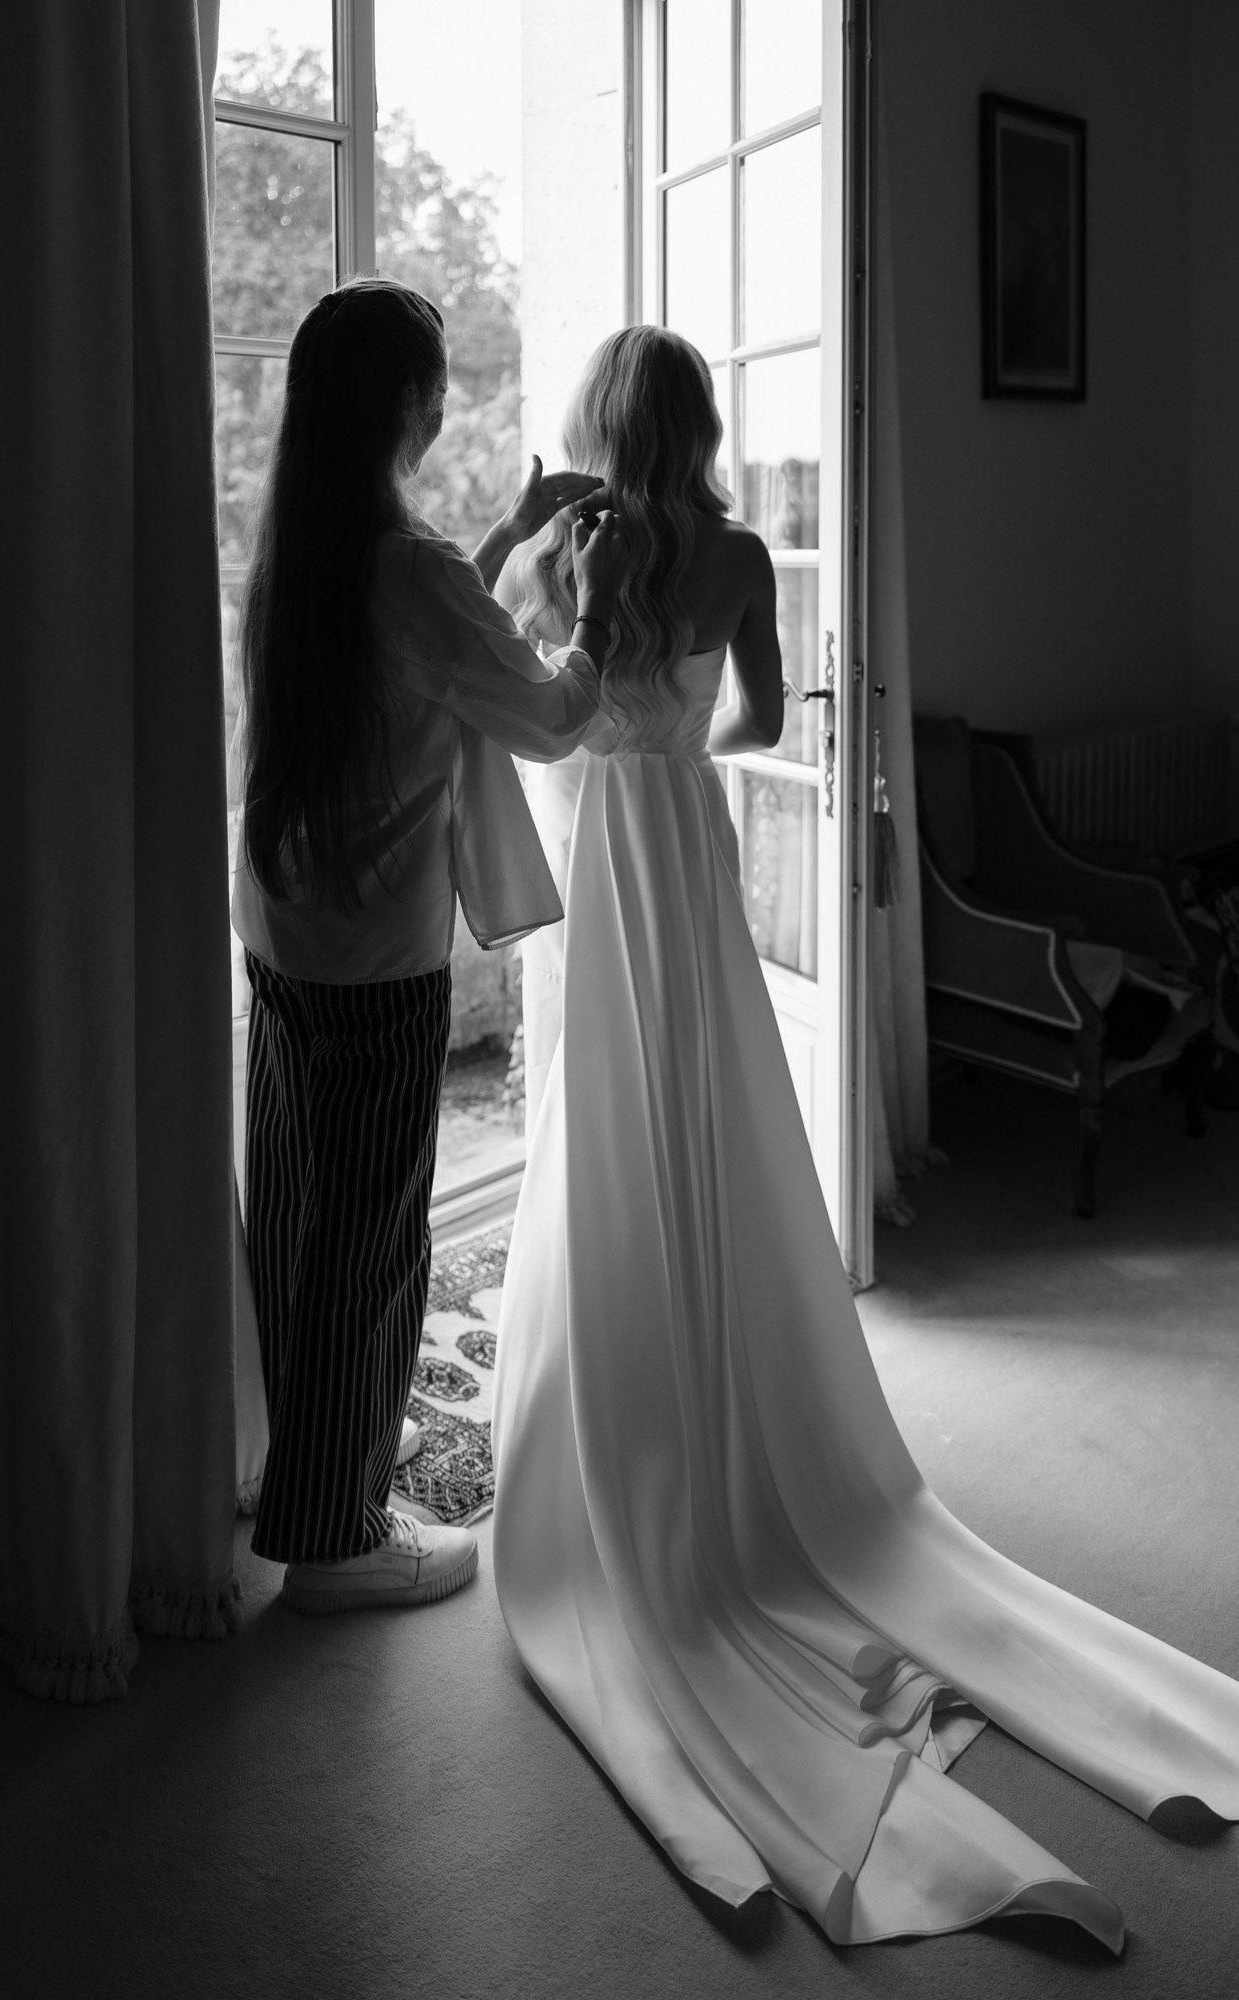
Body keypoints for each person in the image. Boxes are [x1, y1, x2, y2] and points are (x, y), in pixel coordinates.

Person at [490, 325, 1239, 1947]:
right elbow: (759, 724)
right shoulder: (743, 552)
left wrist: (535, 568)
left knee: (615, 1114)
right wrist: (677, 730)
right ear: (696, 428)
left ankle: (641, 1420)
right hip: (686, 837)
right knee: (718, 1105)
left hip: (610, 865)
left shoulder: (571, 550)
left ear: (594, 431)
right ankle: (757, 1401)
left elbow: (529, 727)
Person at [232, 277, 624, 1615]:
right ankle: (335, 1537)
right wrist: (596, 622)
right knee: (371, 1247)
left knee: (293, 1220)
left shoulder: (298, 551)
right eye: (435, 373)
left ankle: (308, 1466)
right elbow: (543, 714)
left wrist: (508, 531)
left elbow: (432, 639)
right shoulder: (406, 568)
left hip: (280, 934)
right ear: (408, 400)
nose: (446, 394)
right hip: (374, 961)